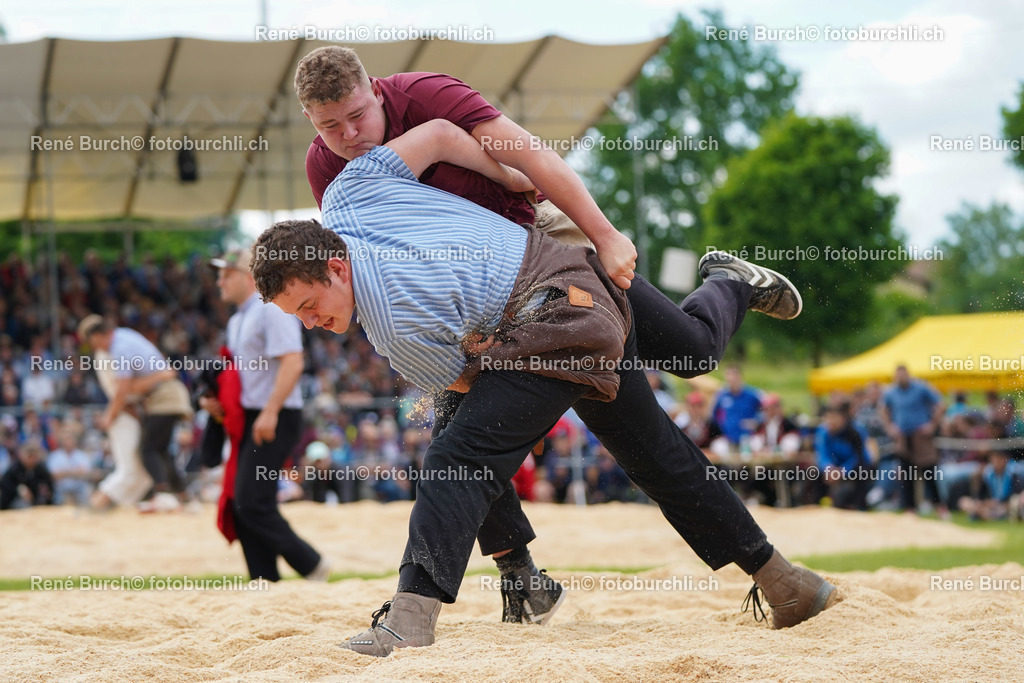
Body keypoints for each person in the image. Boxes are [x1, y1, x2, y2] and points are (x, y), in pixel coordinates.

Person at [250, 126, 836, 656]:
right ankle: (784, 582)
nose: (310, 323)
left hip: (559, 320)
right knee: (652, 450)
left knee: (457, 453)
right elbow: (434, 135)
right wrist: (510, 177)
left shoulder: (392, 323)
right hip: (575, 276)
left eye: (310, 305)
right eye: (295, 315)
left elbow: (464, 384)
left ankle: (415, 614)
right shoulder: (352, 191)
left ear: (337, 266)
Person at [203, 249, 329, 582]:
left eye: (226, 274)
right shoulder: (238, 318)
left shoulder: (270, 310)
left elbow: (293, 361)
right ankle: (264, 580)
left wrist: (270, 411)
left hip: (276, 414)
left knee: (250, 501)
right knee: (245, 501)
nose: (220, 281)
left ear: (248, 277)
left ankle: (311, 564)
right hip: (254, 414)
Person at [77, 315, 194, 505]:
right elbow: (132, 386)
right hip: (167, 395)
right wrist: (159, 376)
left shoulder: (119, 348)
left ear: (100, 335)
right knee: (161, 449)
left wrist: (109, 416)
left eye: (92, 341)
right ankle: (182, 495)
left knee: (149, 450)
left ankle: (162, 493)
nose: (94, 347)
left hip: (164, 397)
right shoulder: (124, 335)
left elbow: (123, 390)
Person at [881, 365, 944, 513]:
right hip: (903, 438)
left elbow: (940, 404)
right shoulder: (891, 392)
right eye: (898, 375)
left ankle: (939, 506)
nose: (901, 378)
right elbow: (883, 410)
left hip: (921, 437)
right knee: (906, 475)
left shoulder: (921, 388)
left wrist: (932, 425)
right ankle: (910, 508)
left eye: (903, 375)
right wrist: (890, 427)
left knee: (929, 473)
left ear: (908, 374)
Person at [814, 403, 874, 510]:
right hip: (833, 468)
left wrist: (842, 471)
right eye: (828, 418)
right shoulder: (823, 431)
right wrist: (829, 468)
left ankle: (859, 507)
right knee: (814, 472)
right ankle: (818, 506)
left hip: (853, 467)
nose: (830, 422)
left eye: (834, 418)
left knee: (863, 471)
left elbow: (859, 457)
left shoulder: (856, 431)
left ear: (842, 418)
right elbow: (822, 454)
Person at [713, 366, 763, 448]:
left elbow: (765, 410)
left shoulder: (752, 394)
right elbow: (714, 414)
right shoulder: (721, 395)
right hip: (728, 437)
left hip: (748, 437)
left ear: (740, 377)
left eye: (734, 376)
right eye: (729, 376)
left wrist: (757, 421)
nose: (731, 379)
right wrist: (722, 424)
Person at [0, 441, 54, 510]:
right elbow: (4, 483)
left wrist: (46, 490)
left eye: (34, 456)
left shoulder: (40, 469)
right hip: (15, 502)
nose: (32, 460)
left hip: (37, 501)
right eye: (29, 456)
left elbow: (49, 483)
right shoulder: (15, 468)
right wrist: (19, 489)